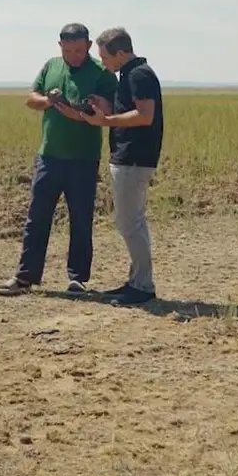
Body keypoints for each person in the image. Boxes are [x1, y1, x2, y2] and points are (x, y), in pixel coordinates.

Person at [0, 23, 119, 296]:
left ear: (89, 46)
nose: (74, 56)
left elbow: (112, 110)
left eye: (79, 50)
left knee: (81, 219)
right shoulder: (51, 66)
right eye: (68, 50)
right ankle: (25, 277)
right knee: (37, 217)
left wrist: (86, 111)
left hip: (83, 158)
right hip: (48, 156)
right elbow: (31, 98)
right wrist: (49, 102)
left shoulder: (102, 73)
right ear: (60, 46)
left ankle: (77, 279)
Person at [81, 27, 163, 305]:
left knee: (130, 223)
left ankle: (142, 286)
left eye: (105, 57)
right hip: (129, 157)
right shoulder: (130, 75)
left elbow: (144, 116)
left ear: (120, 53)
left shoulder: (139, 75)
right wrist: (107, 106)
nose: (104, 63)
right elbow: (131, 111)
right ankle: (137, 281)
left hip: (134, 158)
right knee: (131, 222)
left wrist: (104, 121)